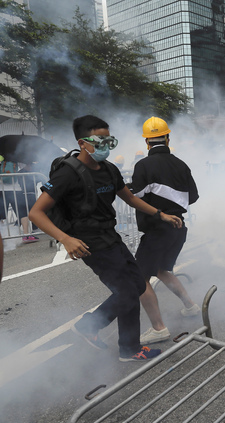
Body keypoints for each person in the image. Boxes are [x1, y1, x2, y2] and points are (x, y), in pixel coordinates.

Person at [29, 115, 183, 362]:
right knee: (127, 291)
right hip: (88, 242)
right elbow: (36, 212)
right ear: (82, 142)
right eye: (99, 140)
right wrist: (65, 239)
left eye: (108, 140)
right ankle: (97, 331)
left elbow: (130, 198)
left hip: (110, 236)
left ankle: (125, 346)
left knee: (137, 285)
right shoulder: (67, 174)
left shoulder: (110, 170)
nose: (105, 146)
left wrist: (160, 214)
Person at [131, 117, 200, 345]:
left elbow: (135, 198)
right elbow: (194, 197)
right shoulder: (181, 164)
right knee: (161, 270)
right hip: (179, 228)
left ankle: (158, 328)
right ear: (168, 138)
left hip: (157, 230)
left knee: (139, 277)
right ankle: (191, 306)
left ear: (147, 142)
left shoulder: (143, 165)